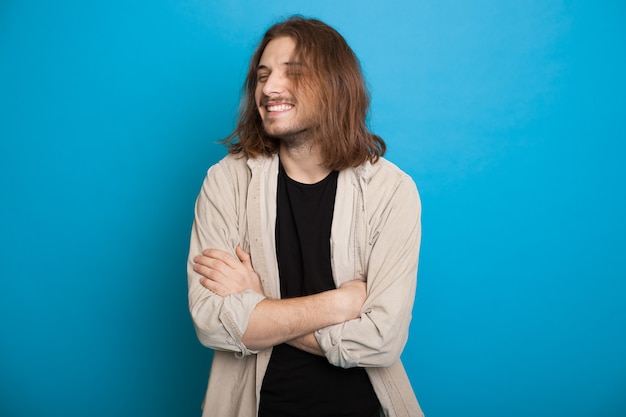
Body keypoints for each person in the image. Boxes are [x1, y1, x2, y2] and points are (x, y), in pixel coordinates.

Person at [187, 16, 423, 417]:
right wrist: (339, 304)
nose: (269, 88)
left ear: (334, 85)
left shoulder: (391, 191)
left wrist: (258, 305)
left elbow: (382, 340)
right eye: (262, 76)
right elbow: (212, 322)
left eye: (291, 73)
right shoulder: (225, 181)